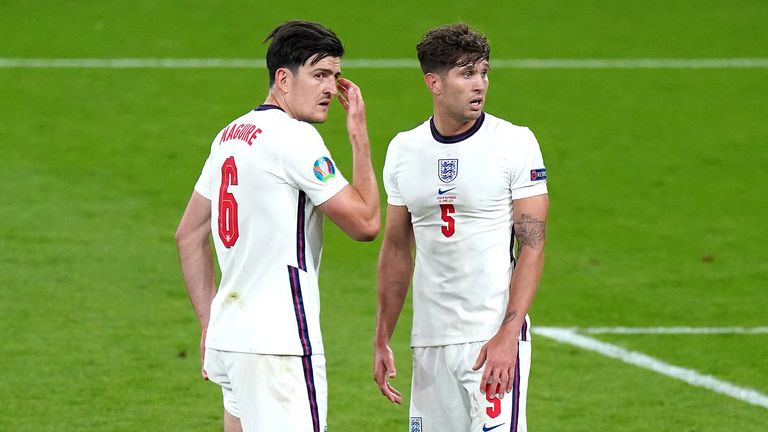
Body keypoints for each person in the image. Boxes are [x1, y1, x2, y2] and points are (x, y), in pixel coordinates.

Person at [175, 20, 379, 432]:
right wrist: (359, 136)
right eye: (319, 75)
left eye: (336, 76)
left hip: (230, 338)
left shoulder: (228, 136)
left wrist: (209, 323)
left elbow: (188, 234)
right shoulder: (294, 138)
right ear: (283, 79)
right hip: (278, 345)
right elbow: (366, 223)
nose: (330, 88)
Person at [373, 23, 549, 432]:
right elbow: (396, 249)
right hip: (430, 342)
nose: (480, 84)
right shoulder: (403, 150)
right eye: (466, 73)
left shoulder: (514, 143)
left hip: (491, 340)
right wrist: (382, 336)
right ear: (433, 82)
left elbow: (533, 246)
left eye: (484, 72)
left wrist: (509, 337)